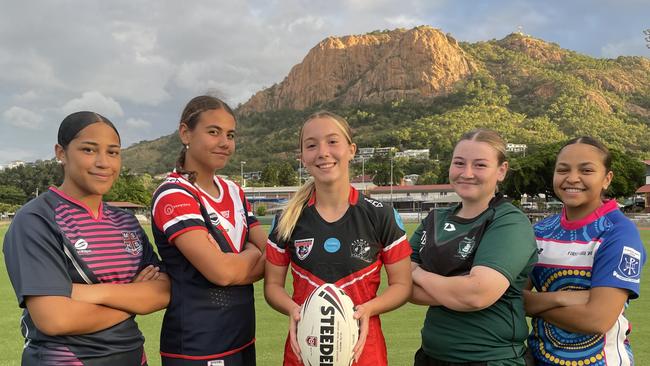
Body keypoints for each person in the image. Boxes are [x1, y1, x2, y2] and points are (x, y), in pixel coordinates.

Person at [3, 111, 170, 365]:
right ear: (61, 153)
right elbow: (55, 319)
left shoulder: (125, 221)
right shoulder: (37, 219)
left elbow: (163, 292)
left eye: (113, 152)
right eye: (89, 150)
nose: (103, 162)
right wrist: (134, 297)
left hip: (134, 357)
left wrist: (89, 293)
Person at [264, 111, 413, 366]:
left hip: (364, 353)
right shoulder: (287, 219)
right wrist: (293, 309)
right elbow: (272, 287)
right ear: (302, 157)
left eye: (332, 142)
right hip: (303, 352)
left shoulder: (381, 215)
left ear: (351, 150)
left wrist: (369, 309)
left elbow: (402, 286)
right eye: (311, 145)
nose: (322, 152)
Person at [151, 95, 266, 366]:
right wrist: (251, 253)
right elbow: (221, 273)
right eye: (213, 132)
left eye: (230, 134)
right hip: (198, 346)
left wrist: (239, 261)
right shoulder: (174, 194)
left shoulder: (235, 191)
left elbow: (273, 255)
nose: (225, 143)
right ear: (185, 133)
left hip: (242, 338)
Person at [409, 129, 538, 366]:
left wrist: (417, 273)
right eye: (459, 163)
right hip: (430, 356)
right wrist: (457, 289)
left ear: (501, 170)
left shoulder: (509, 221)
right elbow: (404, 286)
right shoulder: (434, 219)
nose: (467, 173)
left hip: (490, 359)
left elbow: (476, 295)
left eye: (479, 165)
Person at [525, 137, 646, 366]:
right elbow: (513, 299)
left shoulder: (619, 232)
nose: (572, 178)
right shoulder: (539, 231)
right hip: (539, 359)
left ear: (606, 179)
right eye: (563, 170)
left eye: (586, 170)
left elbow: (598, 319)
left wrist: (536, 304)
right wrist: (563, 297)